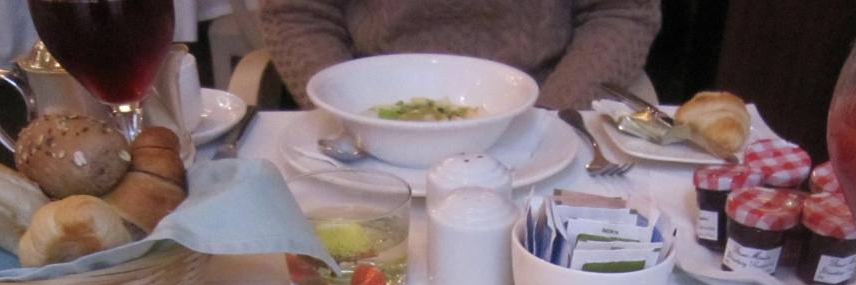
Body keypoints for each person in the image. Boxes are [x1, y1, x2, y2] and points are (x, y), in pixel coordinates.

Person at [258, 0, 662, 110]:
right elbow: (297, 13)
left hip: (540, 110)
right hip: (368, 114)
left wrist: (553, 117)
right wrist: (348, 109)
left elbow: (621, 13)